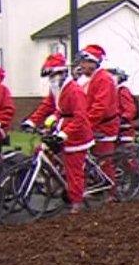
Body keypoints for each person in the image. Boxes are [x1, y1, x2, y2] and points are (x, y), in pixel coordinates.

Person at [23, 54, 94, 213]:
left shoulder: (75, 91)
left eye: (53, 75)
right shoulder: (57, 88)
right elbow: (47, 105)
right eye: (49, 76)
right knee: (42, 150)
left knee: (73, 169)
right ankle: (56, 184)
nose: (51, 79)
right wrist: (32, 121)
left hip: (77, 134)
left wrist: (64, 134)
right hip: (63, 128)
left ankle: (77, 202)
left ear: (62, 73)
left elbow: (80, 118)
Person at [76, 44, 120, 192]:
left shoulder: (104, 79)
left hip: (105, 127)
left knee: (105, 161)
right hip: (93, 124)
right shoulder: (88, 79)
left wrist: (85, 124)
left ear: (93, 63)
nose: (81, 66)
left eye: (84, 62)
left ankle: (111, 192)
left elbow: (100, 107)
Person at [108, 68, 139, 144]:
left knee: (125, 152)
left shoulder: (122, 90)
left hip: (124, 129)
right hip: (116, 128)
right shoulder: (114, 91)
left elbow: (130, 109)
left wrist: (123, 119)